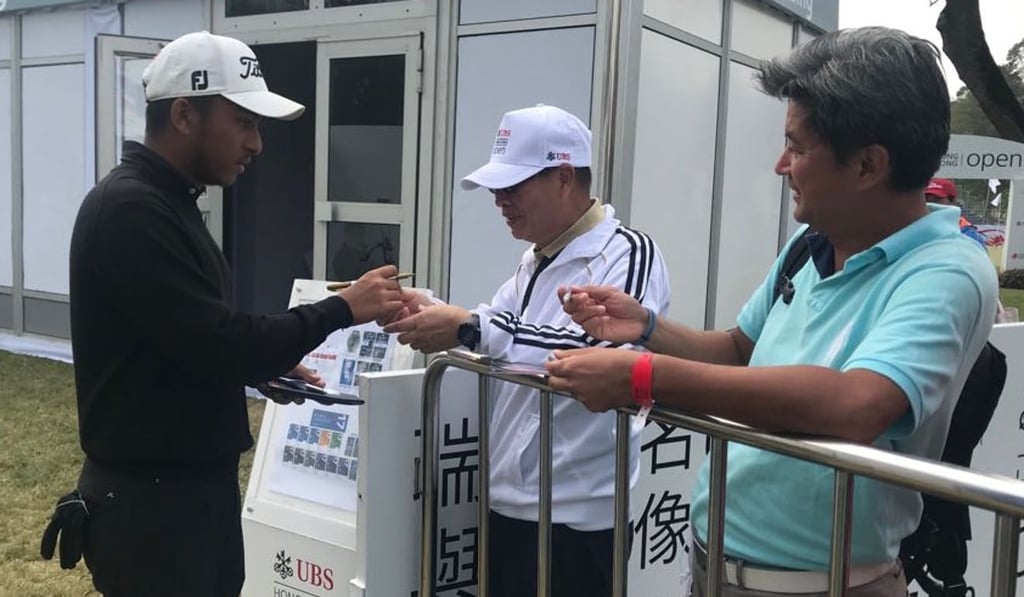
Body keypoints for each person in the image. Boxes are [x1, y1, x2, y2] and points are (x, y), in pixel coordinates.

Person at [546, 27, 998, 597]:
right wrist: (648, 328)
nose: (781, 165)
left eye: (798, 147)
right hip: (714, 566)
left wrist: (643, 377)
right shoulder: (812, 245)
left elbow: (858, 403)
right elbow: (741, 350)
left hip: (822, 584)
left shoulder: (947, 270)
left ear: (867, 165)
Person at [48, 31, 403, 597]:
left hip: (185, 500)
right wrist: (341, 308)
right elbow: (218, 340)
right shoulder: (131, 210)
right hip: (153, 512)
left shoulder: (170, 204)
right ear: (184, 115)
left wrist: (259, 368)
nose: (256, 144)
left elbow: (186, 342)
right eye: (243, 122)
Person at [382, 104, 671, 597]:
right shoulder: (536, 259)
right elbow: (498, 328)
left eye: (512, 187)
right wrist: (432, 311)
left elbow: (596, 356)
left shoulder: (628, 253)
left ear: (563, 177)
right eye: (496, 189)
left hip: (579, 517)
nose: (500, 201)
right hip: (511, 502)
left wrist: (468, 328)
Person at [924, 177, 987, 247]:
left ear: (953, 201)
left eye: (937, 200)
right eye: (926, 200)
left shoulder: (968, 235)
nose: (930, 204)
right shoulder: (920, 230)